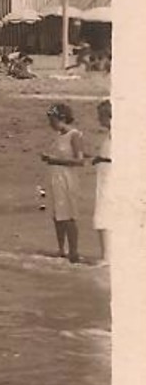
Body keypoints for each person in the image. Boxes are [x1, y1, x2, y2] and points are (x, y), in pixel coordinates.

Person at [40, 103, 86, 263]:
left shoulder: (75, 135)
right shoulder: (59, 135)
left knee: (69, 215)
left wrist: (54, 160)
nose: (50, 124)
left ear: (62, 118)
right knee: (58, 215)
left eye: (52, 120)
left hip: (68, 178)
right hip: (56, 177)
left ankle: (73, 251)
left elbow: (80, 161)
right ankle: (62, 249)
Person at [91, 99, 112, 263]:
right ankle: (108, 254)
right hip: (106, 172)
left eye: (101, 116)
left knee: (104, 213)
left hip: (110, 177)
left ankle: (107, 256)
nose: (99, 119)